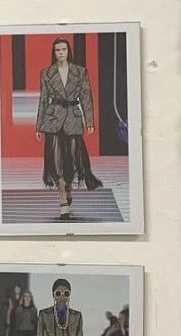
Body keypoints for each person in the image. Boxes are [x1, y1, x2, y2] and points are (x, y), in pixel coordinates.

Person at [35, 37, 102, 221]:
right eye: (57, 50)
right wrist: (39, 125)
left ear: (68, 51)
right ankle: (63, 199)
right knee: (56, 161)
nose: (61, 53)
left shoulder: (80, 72)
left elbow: (86, 97)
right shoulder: (46, 73)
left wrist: (89, 121)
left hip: (73, 118)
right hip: (53, 120)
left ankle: (69, 188)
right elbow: (43, 99)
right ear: (54, 52)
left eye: (63, 49)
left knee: (72, 160)